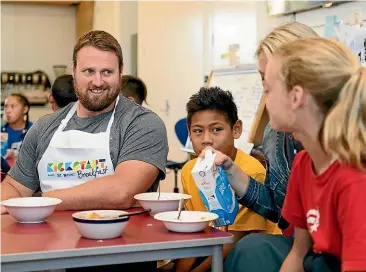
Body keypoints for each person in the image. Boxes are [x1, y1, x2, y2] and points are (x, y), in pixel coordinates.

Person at [1, 30, 168, 214]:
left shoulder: (142, 124)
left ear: (121, 71)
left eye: (107, 72)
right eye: (89, 71)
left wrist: (39, 202)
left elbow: (121, 192)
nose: (97, 82)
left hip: (118, 238)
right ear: (73, 71)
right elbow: (15, 187)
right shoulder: (44, 127)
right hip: (49, 240)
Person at [219, 22, 319, 271]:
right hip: (303, 246)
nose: (263, 92)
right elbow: (282, 211)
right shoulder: (276, 135)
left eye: (268, 81)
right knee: (252, 250)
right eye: (261, 79)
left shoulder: (345, 147)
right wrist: (232, 171)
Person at [174, 87, 281, 272]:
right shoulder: (188, 170)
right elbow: (194, 232)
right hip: (210, 249)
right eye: (198, 131)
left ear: (236, 129)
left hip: (247, 257)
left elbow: (234, 240)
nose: (206, 139)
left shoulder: (249, 173)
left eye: (216, 129)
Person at [1, 93, 32, 160]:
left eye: (12, 106)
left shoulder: (34, 131)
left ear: (25, 109)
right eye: (6, 106)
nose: (8, 111)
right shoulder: (1, 131)